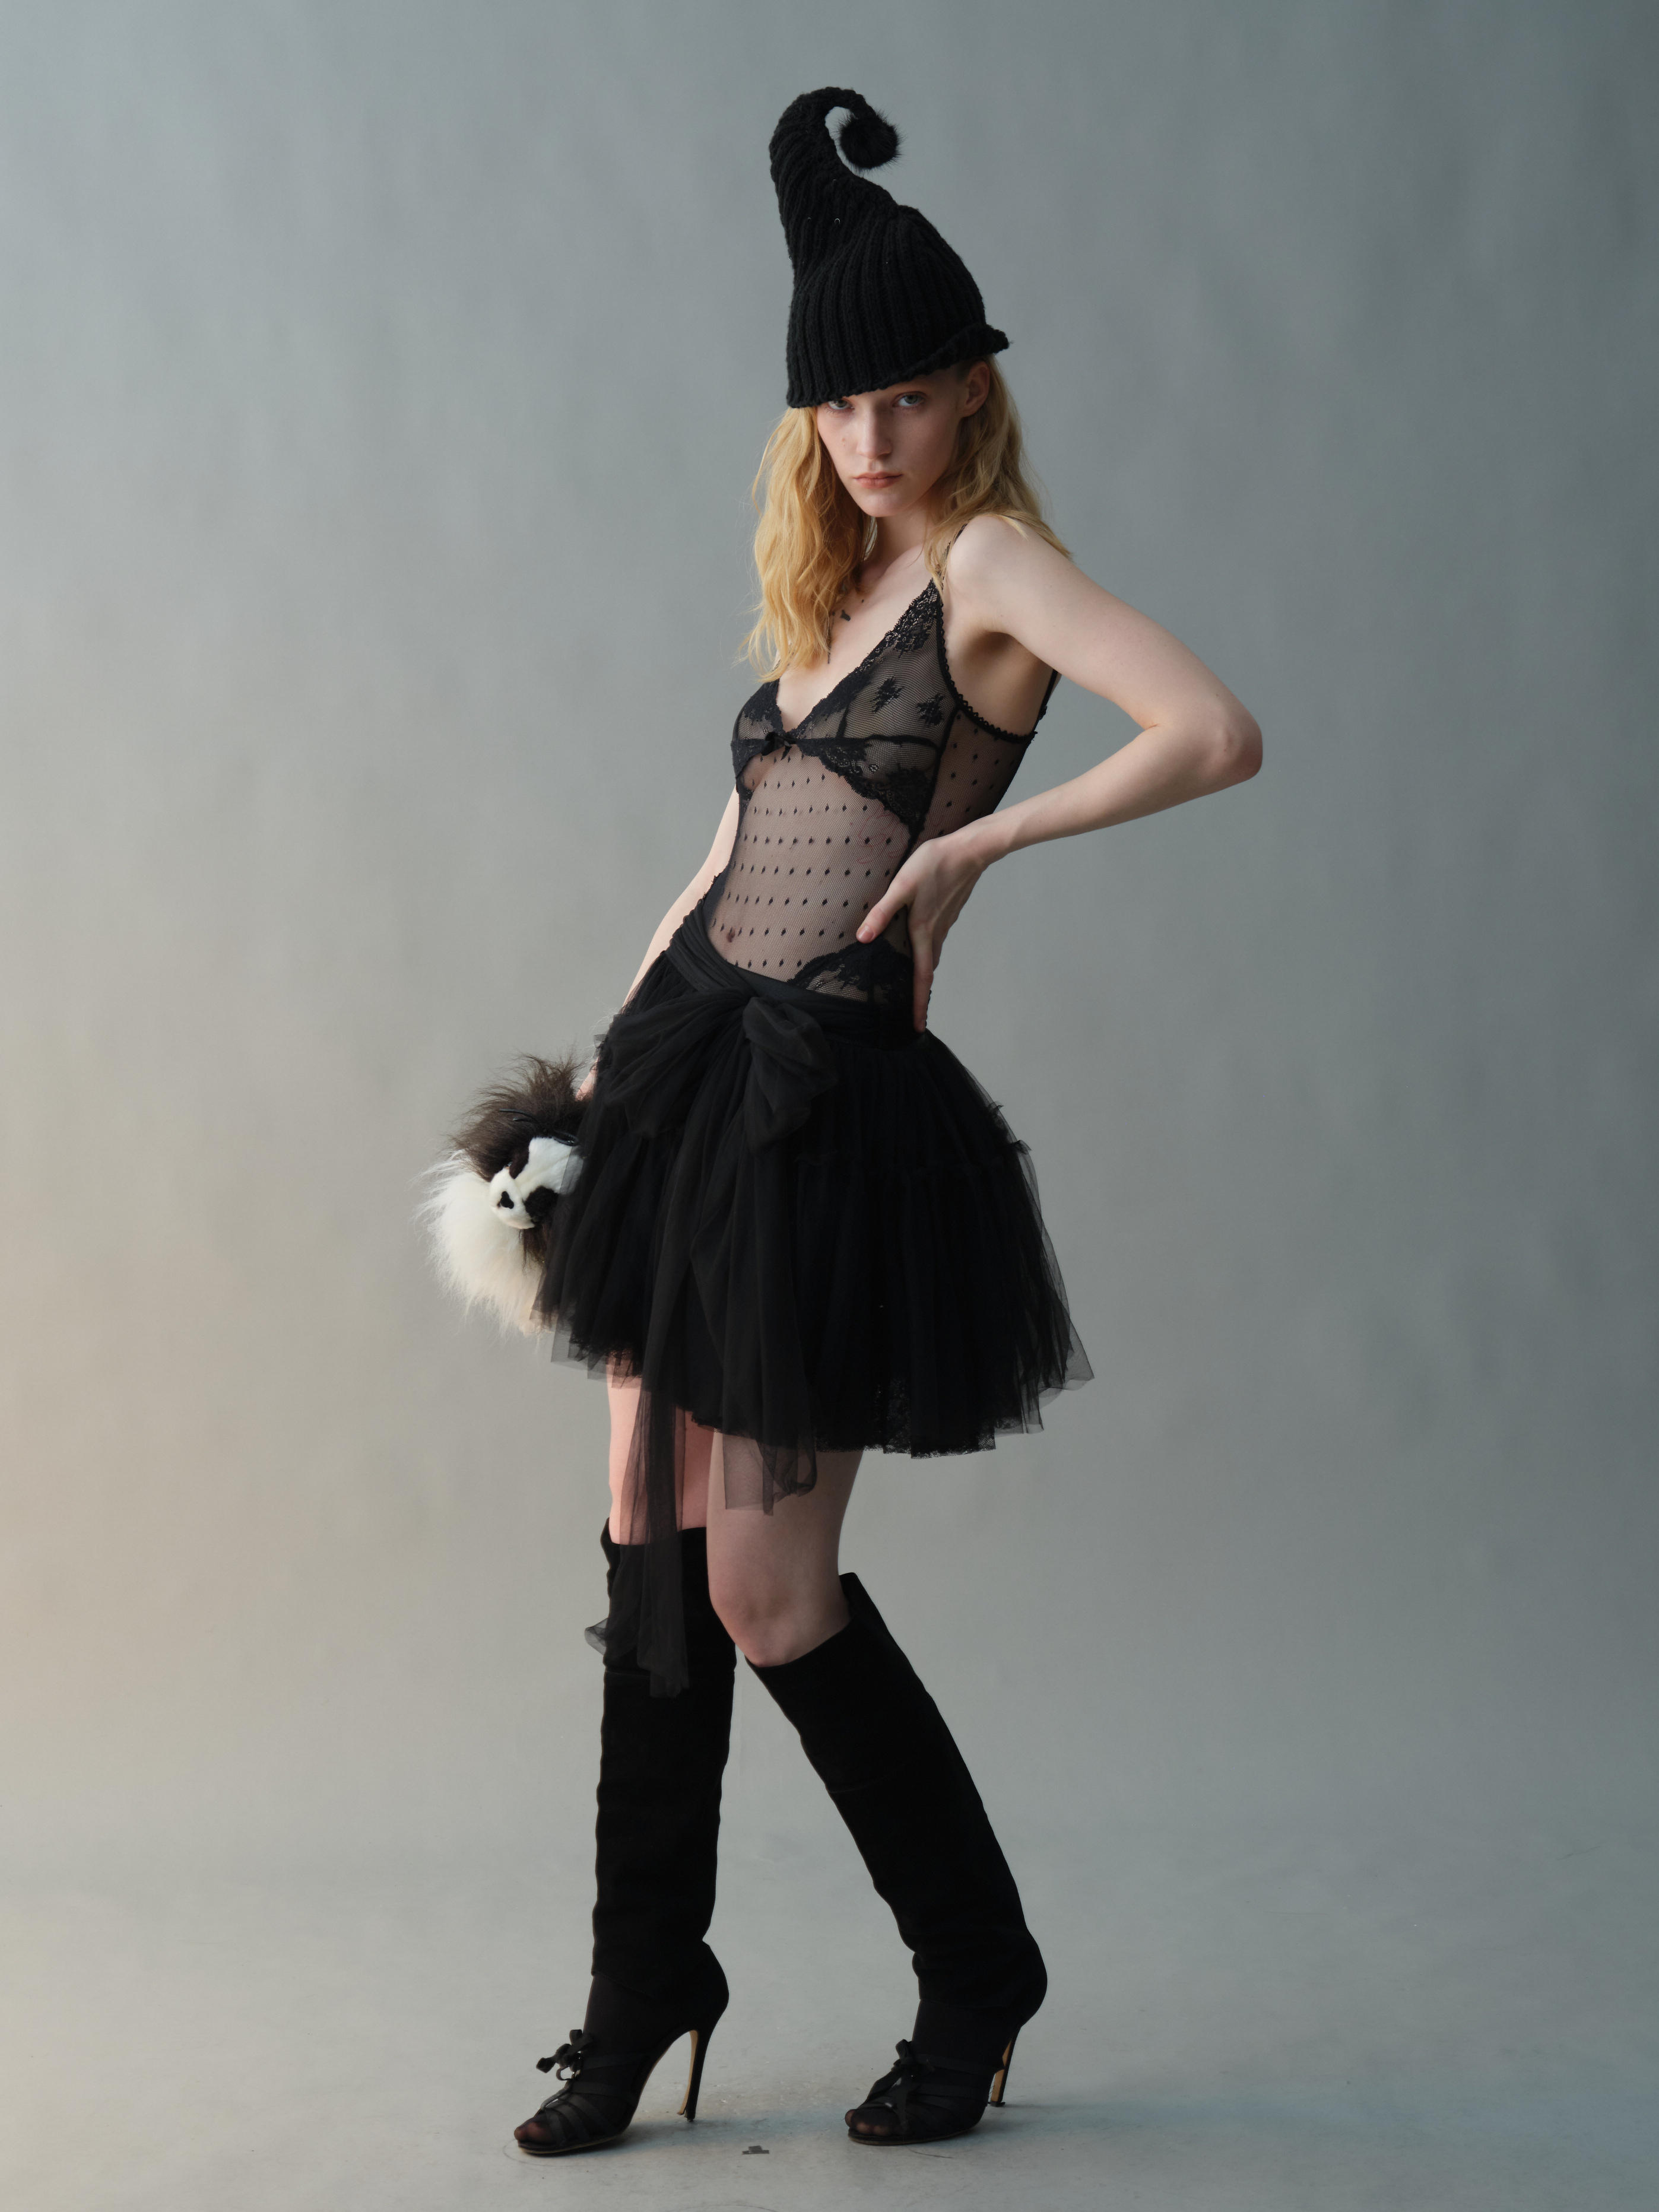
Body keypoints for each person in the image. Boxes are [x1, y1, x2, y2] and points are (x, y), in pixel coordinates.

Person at [509, 85, 1261, 2156]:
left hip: (827, 1116)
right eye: (839, 405)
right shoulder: (828, 579)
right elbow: (731, 852)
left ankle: (976, 1965)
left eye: (908, 397)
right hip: (690, 1079)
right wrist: (595, 1079)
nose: (870, 437)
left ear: (968, 394)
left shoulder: (991, 565)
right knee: (647, 1547)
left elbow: (1213, 730)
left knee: (767, 1590)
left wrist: (980, 847)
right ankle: (643, 1981)